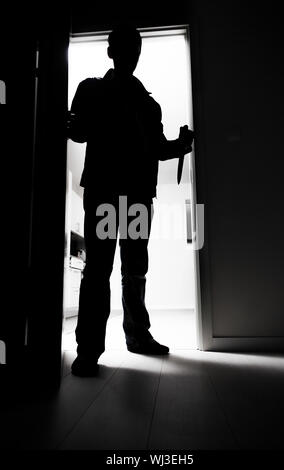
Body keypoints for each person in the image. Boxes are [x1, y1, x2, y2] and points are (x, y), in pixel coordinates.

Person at [67, 24, 194, 377]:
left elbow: (156, 149)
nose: (130, 53)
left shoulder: (147, 105)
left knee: (132, 269)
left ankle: (127, 339)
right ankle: (92, 349)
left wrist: (180, 146)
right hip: (110, 194)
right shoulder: (93, 90)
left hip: (133, 196)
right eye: (124, 47)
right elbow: (77, 131)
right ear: (112, 51)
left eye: (133, 47)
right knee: (101, 270)